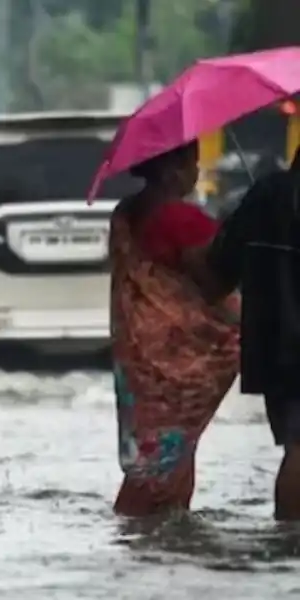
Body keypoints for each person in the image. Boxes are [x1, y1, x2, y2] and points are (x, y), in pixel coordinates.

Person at [107, 141, 240, 517]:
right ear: (171, 168)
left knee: (156, 454)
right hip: (178, 358)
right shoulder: (179, 219)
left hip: (139, 356)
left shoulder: (125, 213)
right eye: (192, 163)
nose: (196, 172)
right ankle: (152, 530)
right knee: (167, 457)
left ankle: (147, 536)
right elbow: (213, 283)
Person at [205, 149, 300, 521]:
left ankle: (287, 542)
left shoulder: (266, 195)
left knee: (296, 442)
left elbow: (218, 270)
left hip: (276, 345)